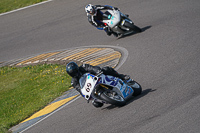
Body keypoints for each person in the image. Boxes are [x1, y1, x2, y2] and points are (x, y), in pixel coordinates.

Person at [66, 62, 130, 107]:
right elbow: (80, 90)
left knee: (106, 69)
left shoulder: (83, 67)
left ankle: (121, 76)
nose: (75, 74)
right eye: (73, 73)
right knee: (96, 104)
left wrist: (98, 71)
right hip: (91, 88)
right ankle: (108, 97)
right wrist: (85, 96)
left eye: (75, 71)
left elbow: (92, 68)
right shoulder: (74, 82)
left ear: (77, 68)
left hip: (97, 78)